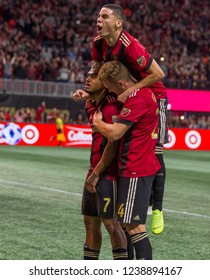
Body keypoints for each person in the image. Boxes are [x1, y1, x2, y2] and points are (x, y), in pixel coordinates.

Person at [74, 4, 167, 235]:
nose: (98, 19)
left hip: (153, 97)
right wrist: (91, 92)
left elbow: (158, 74)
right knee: (124, 146)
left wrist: (131, 91)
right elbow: (102, 74)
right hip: (125, 93)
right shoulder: (98, 43)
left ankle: (157, 209)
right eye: (97, 15)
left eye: (104, 16)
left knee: (156, 151)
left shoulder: (131, 46)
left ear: (118, 23)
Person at [92, 61, 161, 260]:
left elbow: (115, 134)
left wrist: (98, 123)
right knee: (128, 224)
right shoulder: (144, 92)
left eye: (110, 87)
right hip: (137, 167)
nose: (109, 91)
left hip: (136, 168)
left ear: (122, 84)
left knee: (134, 227)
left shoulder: (138, 98)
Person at [81, 61, 127, 260]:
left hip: (107, 175)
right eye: (87, 75)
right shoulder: (94, 105)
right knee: (90, 224)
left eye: (93, 76)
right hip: (93, 172)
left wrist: (97, 173)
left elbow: (113, 144)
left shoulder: (109, 108)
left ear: (104, 81)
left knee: (112, 224)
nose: (87, 79)